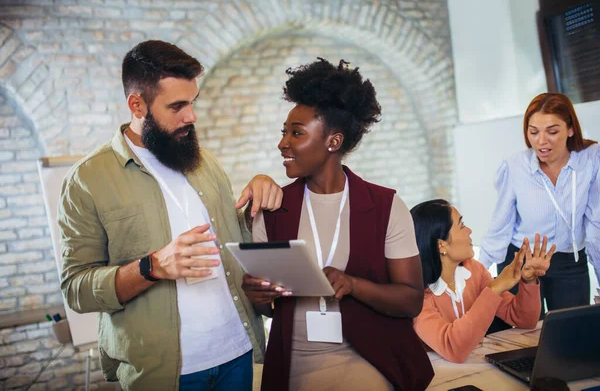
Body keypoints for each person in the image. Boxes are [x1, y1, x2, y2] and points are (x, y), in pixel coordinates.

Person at [59, 40, 283, 391]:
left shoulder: (205, 162)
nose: (191, 116)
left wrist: (260, 190)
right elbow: (76, 290)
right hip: (162, 373)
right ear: (137, 105)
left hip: (239, 355)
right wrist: (152, 266)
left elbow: (235, 241)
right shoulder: (87, 181)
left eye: (192, 103)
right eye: (177, 106)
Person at [241, 58, 434, 391]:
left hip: (368, 358)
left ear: (333, 141)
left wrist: (353, 285)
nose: (283, 143)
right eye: (284, 132)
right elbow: (270, 310)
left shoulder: (386, 207)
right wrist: (257, 294)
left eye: (296, 132)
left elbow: (410, 300)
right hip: (292, 363)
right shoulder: (272, 210)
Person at [479, 92, 600, 314]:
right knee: (522, 336)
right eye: (533, 132)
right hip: (520, 262)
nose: (541, 141)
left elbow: (596, 224)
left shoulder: (591, 160)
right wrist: (476, 276)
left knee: (571, 336)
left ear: (570, 129)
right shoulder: (515, 167)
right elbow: (500, 227)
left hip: (570, 263)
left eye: (552, 132)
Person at [411, 199, 554, 363]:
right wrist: (494, 289)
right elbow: (453, 348)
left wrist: (529, 281)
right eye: (462, 225)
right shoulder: (417, 297)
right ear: (441, 245)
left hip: (478, 367)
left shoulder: (474, 271)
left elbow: (524, 319)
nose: (470, 231)